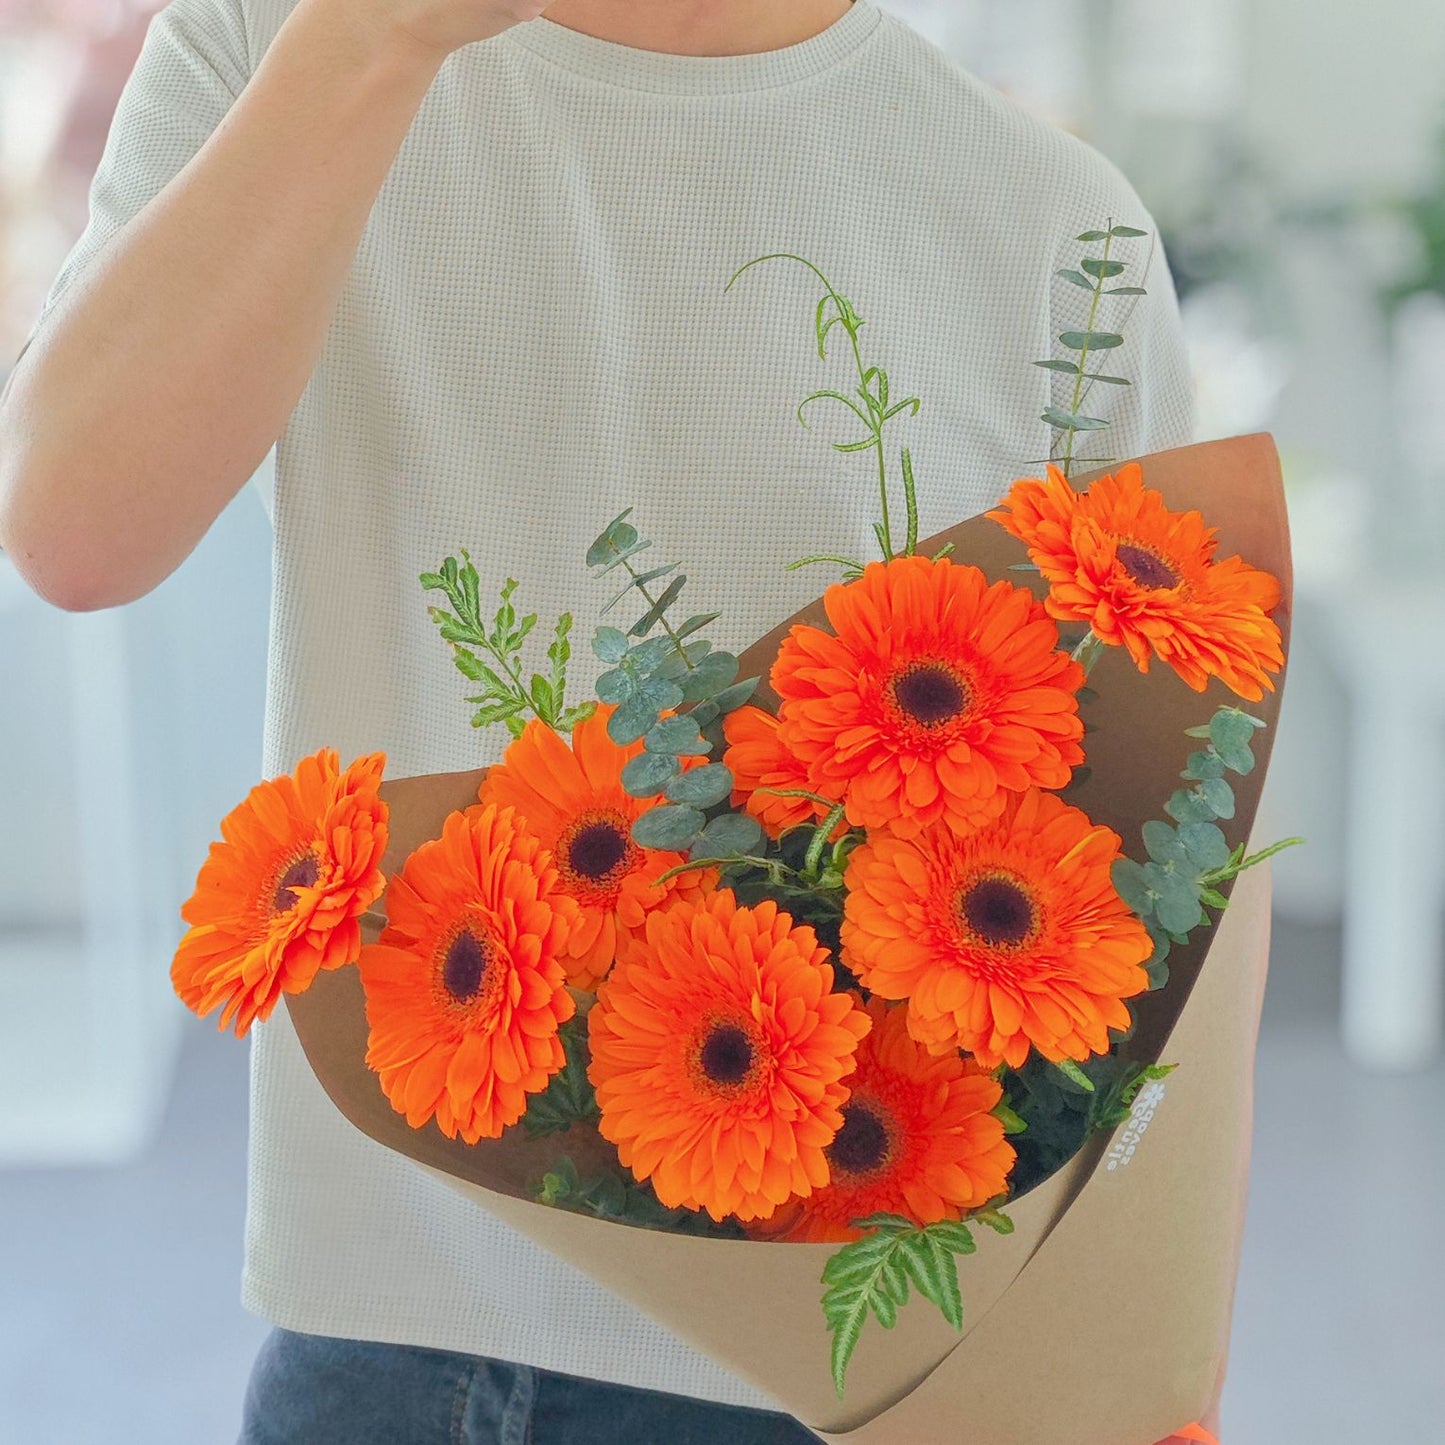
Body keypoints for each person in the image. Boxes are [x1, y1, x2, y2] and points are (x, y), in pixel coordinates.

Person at [0, 1, 1217, 1440]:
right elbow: (76, 531)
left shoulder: (1046, 222)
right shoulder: (273, 44)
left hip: (833, 1354)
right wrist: (371, 42)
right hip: (389, 1323)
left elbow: (1175, 873)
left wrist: (1160, 1371)